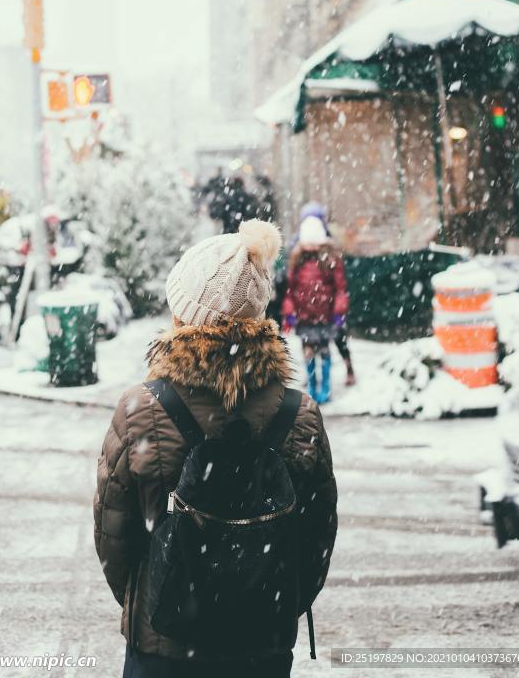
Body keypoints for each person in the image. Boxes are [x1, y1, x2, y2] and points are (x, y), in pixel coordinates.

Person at [94, 219, 337, 678]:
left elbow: (113, 537)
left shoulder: (140, 408)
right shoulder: (298, 413)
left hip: (163, 646)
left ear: (183, 314)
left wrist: (155, 597)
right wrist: (273, 602)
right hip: (262, 646)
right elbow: (317, 537)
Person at [282, 215, 354, 403]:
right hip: (305, 317)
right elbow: (290, 291)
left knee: (324, 351)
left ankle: (326, 386)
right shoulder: (296, 262)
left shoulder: (330, 259)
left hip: (325, 316)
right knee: (308, 352)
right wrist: (289, 312)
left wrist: (339, 312)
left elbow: (340, 288)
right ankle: (313, 385)